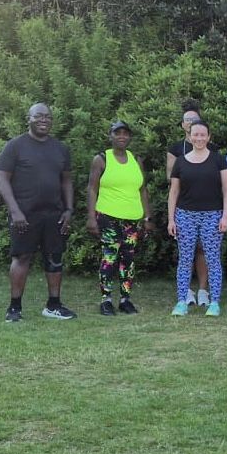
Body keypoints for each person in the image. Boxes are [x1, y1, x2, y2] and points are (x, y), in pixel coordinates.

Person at [0, 103, 75, 322]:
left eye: (48, 117)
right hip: (24, 215)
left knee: (55, 258)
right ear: (28, 119)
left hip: (55, 214)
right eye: (38, 116)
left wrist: (69, 209)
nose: (44, 120)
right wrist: (15, 211)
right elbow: (1, 179)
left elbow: (67, 181)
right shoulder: (15, 146)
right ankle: (14, 308)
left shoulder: (60, 148)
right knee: (22, 258)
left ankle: (53, 306)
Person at [85, 121, 152, 316]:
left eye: (125, 133)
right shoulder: (101, 159)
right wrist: (91, 217)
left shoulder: (136, 160)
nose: (122, 136)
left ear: (130, 137)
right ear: (111, 135)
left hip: (131, 220)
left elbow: (142, 189)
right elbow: (92, 188)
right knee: (109, 257)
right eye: (117, 133)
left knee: (128, 259)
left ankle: (125, 299)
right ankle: (106, 300)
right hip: (108, 218)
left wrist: (147, 217)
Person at [168, 120, 227, 316]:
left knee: (213, 259)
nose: (199, 138)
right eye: (195, 134)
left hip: (212, 215)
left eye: (203, 134)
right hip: (185, 215)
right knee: (185, 259)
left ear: (208, 136)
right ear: (190, 136)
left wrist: (225, 215)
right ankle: (181, 302)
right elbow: (174, 192)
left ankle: (215, 303)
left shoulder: (218, 160)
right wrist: (171, 219)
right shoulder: (180, 161)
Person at [166, 99, 213, 306]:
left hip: (208, 205)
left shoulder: (212, 148)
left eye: (195, 119)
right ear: (183, 124)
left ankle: (203, 290)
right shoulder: (176, 148)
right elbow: (170, 177)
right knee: (186, 250)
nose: (191, 123)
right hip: (183, 205)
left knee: (203, 249)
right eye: (187, 120)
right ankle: (185, 291)